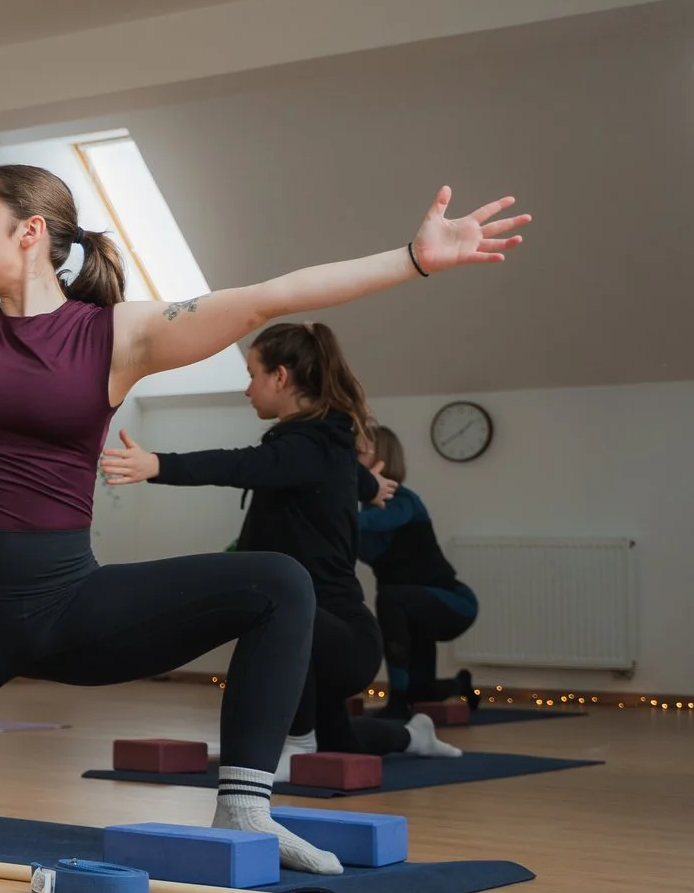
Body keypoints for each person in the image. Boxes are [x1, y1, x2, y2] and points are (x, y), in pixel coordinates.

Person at [0, 164, 528, 876]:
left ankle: (244, 809)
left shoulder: (116, 337)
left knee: (278, 583)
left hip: (68, 605)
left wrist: (410, 260)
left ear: (30, 231)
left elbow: (267, 296)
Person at [98, 323, 461, 771]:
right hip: (329, 640)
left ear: (281, 377)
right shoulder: (324, 444)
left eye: (253, 374)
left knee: (280, 612)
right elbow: (337, 470)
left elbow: (242, 465)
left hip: (338, 638)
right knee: (341, 741)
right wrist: (370, 487)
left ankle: (296, 742)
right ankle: (412, 736)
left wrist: (157, 464)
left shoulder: (306, 447)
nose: (248, 389)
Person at [359, 423, 481, 717]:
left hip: (453, 604)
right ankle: (458, 685)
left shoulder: (403, 501)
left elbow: (365, 525)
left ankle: (398, 702)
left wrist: (329, 504)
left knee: (390, 598)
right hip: (414, 612)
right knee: (420, 691)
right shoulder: (365, 510)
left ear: (380, 459)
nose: (349, 459)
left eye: (357, 453)